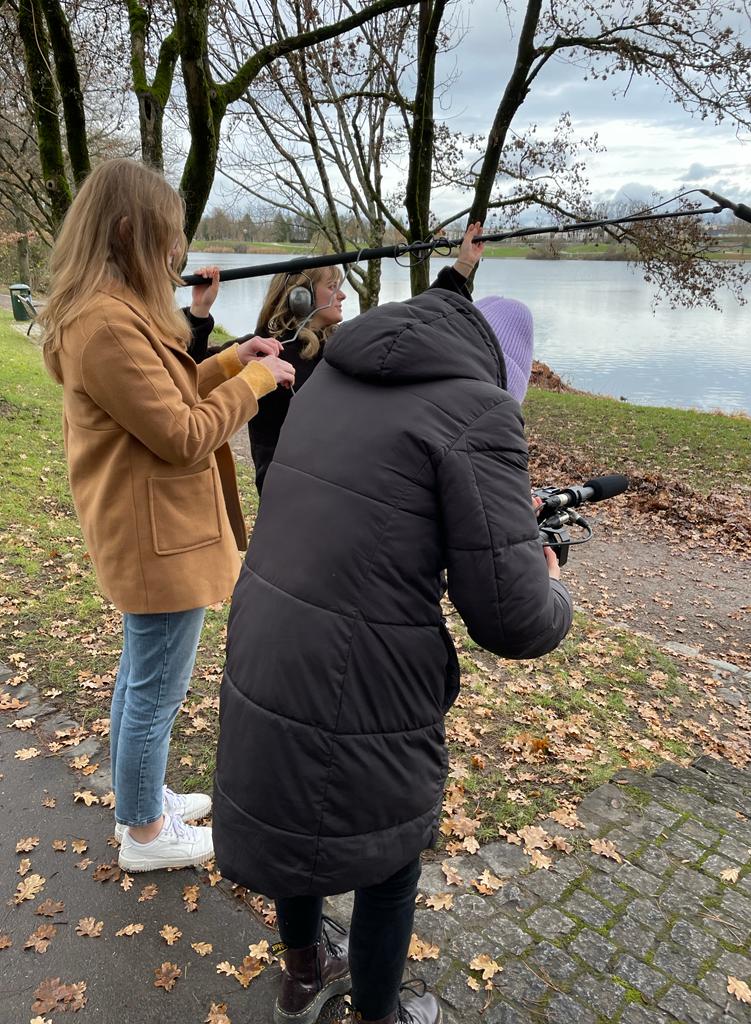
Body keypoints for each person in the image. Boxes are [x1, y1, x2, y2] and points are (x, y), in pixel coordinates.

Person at [212, 223, 573, 1023]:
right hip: (362, 667)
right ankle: (381, 1014)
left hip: (268, 632)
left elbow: (377, 513)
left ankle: (303, 975)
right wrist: (553, 586)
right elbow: (511, 618)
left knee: (298, 825)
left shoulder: (334, 372)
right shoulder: (480, 411)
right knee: (387, 859)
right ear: (501, 370)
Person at [38, 158, 295, 873]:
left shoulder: (108, 309)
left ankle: (141, 802)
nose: (179, 251)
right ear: (129, 232)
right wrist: (253, 382)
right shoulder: (106, 324)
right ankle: (146, 836)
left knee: (139, 678)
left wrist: (229, 359)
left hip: (152, 530)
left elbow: (169, 395)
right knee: (155, 688)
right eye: (171, 236)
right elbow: (182, 435)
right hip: (157, 539)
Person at [190, 265, 347, 494]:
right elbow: (189, 378)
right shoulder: (260, 349)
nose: (342, 295)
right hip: (284, 490)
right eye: (333, 287)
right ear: (300, 296)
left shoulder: (343, 350)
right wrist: (200, 310)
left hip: (339, 484)